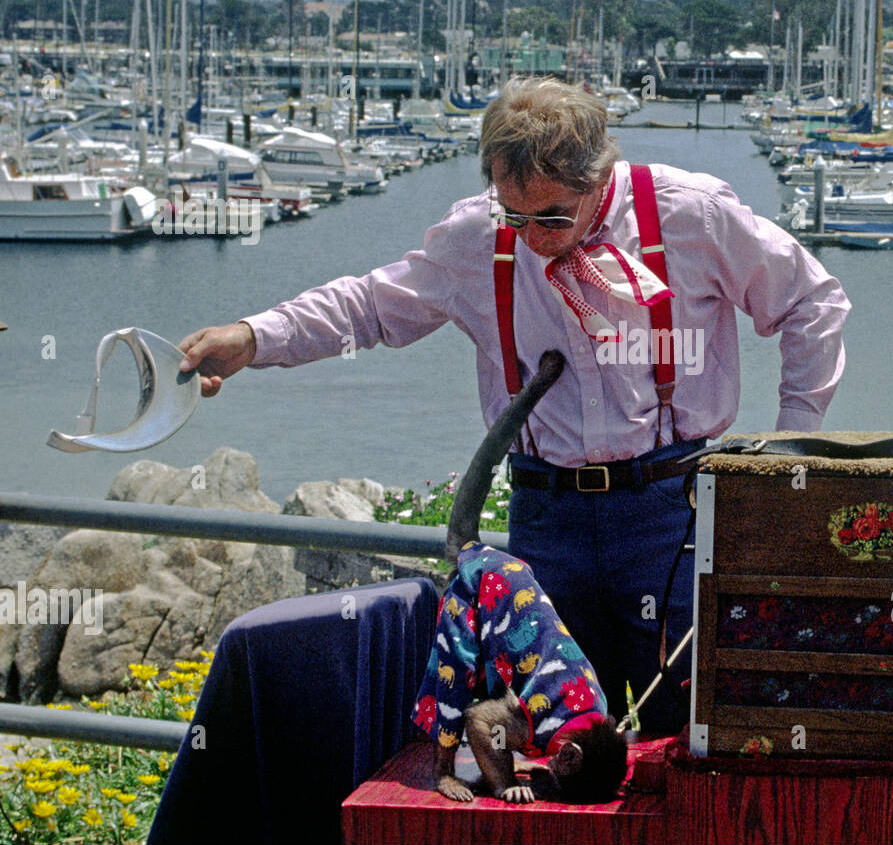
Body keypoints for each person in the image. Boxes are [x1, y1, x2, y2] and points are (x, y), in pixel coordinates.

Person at [177, 77, 851, 736]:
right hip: (546, 518)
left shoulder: (688, 213)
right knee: (550, 737)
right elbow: (371, 305)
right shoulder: (480, 235)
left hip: (673, 512)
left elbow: (811, 302)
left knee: (693, 728)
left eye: (554, 215)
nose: (532, 235)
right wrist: (253, 336)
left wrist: (787, 459)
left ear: (600, 179)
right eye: (515, 214)